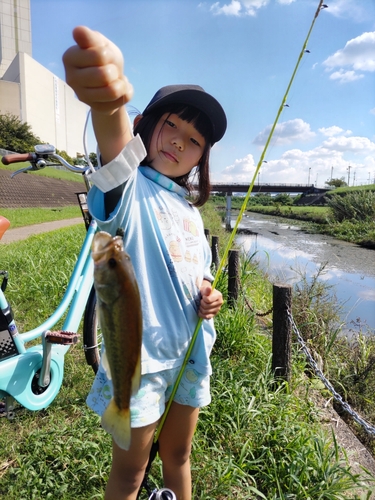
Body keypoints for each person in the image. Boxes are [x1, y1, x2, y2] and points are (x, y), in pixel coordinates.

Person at [63, 26, 227, 500]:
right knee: (130, 474)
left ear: (201, 158)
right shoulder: (130, 189)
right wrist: (108, 104)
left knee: (178, 456)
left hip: (192, 354)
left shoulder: (192, 215)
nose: (179, 142)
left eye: (194, 139)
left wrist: (209, 294)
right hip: (141, 361)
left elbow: (199, 272)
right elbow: (114, 145)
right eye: (171, 124)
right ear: (146, 123)